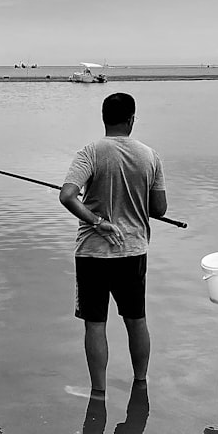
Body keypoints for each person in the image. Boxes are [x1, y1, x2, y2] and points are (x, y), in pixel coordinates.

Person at [59, 93, 167, 395]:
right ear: (132, 119)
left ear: (104, 118)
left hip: (93, 253)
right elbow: (159, 209)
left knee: (95, 324)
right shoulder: (150, 156)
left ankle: (98, 391)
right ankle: (141, 383)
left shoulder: (90, 152)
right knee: (136, 319)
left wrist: (96, 220)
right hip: (133, 252)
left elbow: (67, 195)